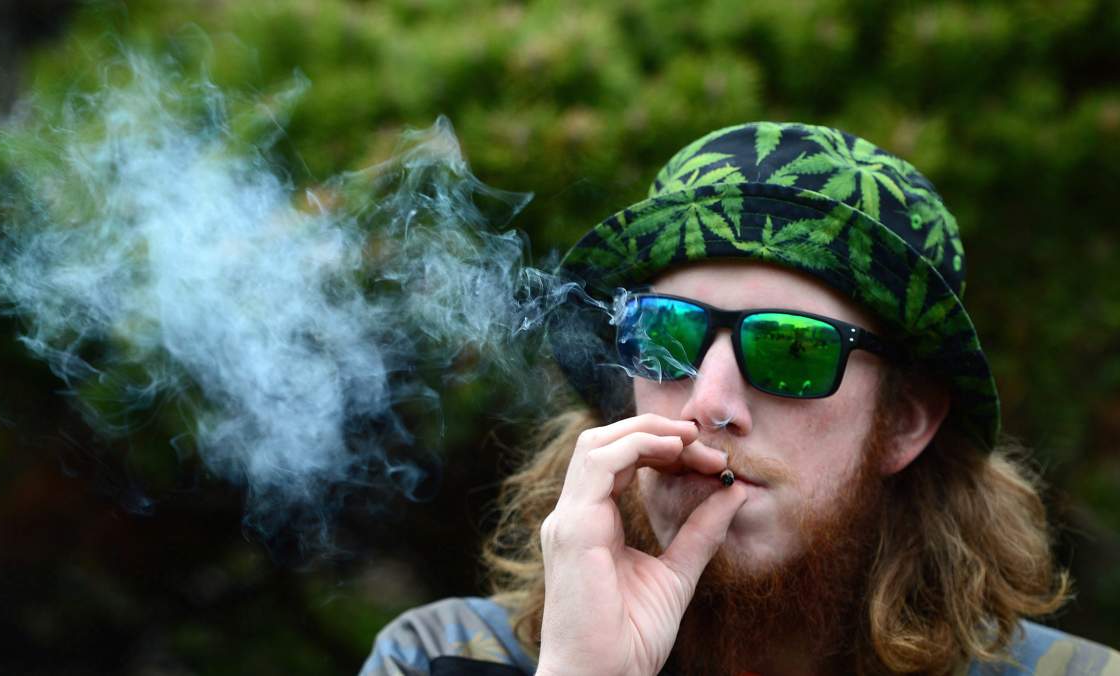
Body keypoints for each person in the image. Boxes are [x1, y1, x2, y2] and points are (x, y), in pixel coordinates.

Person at [360, 122, 1120, 675]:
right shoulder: (440, 658)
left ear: (906, 422)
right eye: (667, 334)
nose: (710, 401)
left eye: (792, 349)